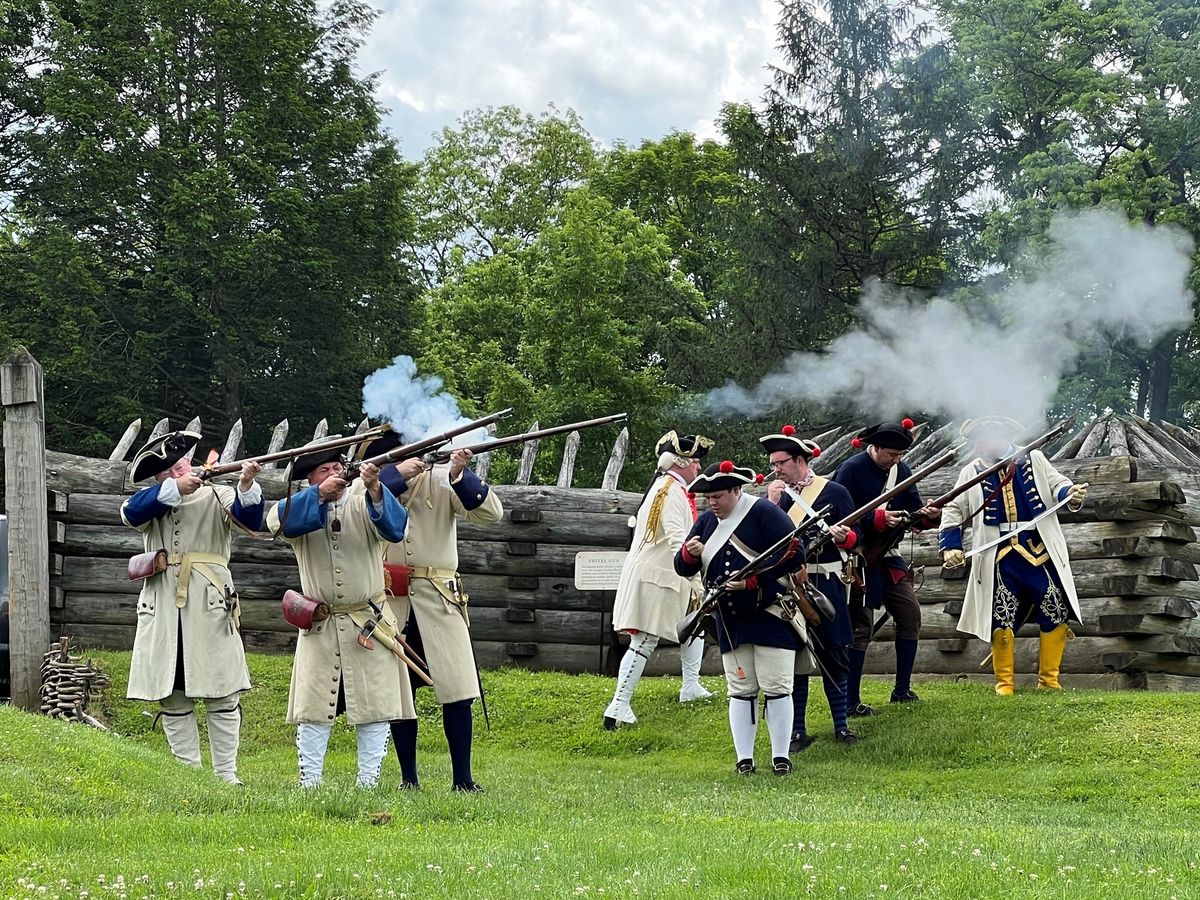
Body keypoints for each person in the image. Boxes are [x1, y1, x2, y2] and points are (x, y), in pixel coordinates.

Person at [266, 437, 414, 788]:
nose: (334, 472)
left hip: (370, 620)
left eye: (337, 467)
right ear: (309, 480)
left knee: (377, 707)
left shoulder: (365, 500)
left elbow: (395, 528)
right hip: (321, 621)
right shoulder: (300, 504)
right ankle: (310, 784)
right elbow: (278, 523)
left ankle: (368, 784)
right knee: (313, 709)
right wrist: (319, 497)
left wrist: (376, 487)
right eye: (324, 469)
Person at [121, 430, 264, 785]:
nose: (175, 473)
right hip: (163, 608)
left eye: (179, 466)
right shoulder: (153, 500)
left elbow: (252, 518)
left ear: (192, 463)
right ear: (158, 479)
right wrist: (174, 489)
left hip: (211, 604)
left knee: (222, 693)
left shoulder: (221, 494)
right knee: (172, 694)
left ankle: (226, 776)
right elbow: (130, 512)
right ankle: (189, 776)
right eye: (166, 472)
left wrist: (246, 483)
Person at [366, 431, 503, 793]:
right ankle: (408, 778)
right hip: (393, 598)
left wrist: (461, 474)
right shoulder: (376, 485)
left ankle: (463, 779)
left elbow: (491, 514)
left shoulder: (442, 479)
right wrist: (397, 474)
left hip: (439, 596)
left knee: (457, 690)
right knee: (400, 693)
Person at [674, 460, 807, 776]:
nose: (712, 503)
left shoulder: (763, 512)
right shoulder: (706, 522)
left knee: (777, 687)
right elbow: (682, 567)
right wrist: (689, 554)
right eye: (709, 498)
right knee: (740, 689)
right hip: (730, 618)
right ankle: (744, 759)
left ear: (736, 490)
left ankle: (780, 757)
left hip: (771, 614)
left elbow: (793, 554)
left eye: (718, 496)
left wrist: (752, 581)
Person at [939, 416, 1088, 694]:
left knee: (1055, 607)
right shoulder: (971, 471)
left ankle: (1049, 682)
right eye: (977, 441)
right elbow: (953, 509)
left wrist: (1072, 493)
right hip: (998, 556)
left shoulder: (1034, 458)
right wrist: (951, 546)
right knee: (1001, 615)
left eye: (983, 440)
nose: (978, 447)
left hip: (1038, 549)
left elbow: (1058, 485)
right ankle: (1004, 684)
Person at [603, 430, 715, 730]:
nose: (698, 468)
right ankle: (618, 705)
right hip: (660, 576)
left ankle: (690, 686)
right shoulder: (671, 492)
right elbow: (679, 539)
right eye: (694, 462)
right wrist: (698, 563)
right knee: (643, 641)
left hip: (665, 574)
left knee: (695, 623)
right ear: (680, 462)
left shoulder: (669, 487)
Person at [761, 425, 861, 749]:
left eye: (781, 463)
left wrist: (843, 536)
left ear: (801, 460)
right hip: (790, 585)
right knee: (797, 657)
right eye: (774, 464)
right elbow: (766, 541)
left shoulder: (833, 491)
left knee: (835, 653)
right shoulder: (774, 499)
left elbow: (855, 537)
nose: (776, 469)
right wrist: (772, 502)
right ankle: (797, 731)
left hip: (826, 580)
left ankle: (842, 727)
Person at [832, 419, 940, 714]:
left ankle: (902, 690)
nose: (896, 460)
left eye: (899, 455)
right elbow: (838, 517)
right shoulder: (850, 470)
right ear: (875, 447)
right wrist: (877, 520)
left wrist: (928, 515)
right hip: (858, 559)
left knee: (910, 614)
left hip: (888, 556)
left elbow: (913, 508)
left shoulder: (900, 470)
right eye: (891, 454)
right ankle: (851, 701)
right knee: (861, 628)